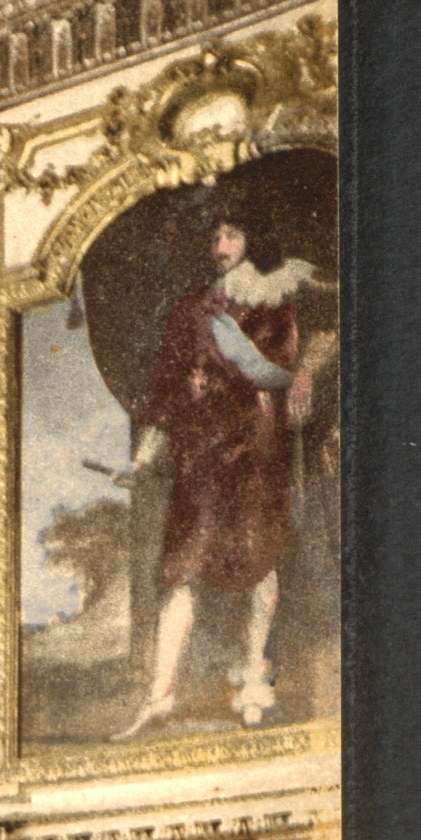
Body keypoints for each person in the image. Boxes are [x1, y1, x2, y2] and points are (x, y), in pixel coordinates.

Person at [120, 212, 326, 735]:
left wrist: (236, 349)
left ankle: (255, 681)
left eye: (232, 233)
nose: (221, 245)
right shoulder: (191, 307)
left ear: (251, 239)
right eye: (213, 236)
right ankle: (159, 694)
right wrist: (146, 453)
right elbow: (167, 382)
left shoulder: (274, 301)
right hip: (199, 452)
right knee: (183, 566)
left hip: (256, 444)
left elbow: (274, 371)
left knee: (259, 556)